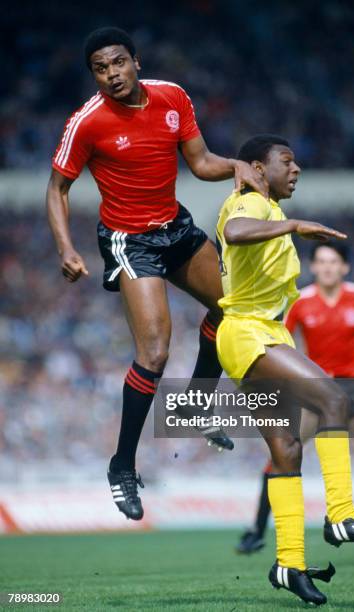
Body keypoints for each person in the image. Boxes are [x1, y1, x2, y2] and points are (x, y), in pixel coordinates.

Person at [46, 27, 266, 522]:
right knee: (155, 351)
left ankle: (194, 405)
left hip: (177, 228)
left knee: (232, 307)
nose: (111, 75)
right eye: (100, 69)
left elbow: (201, 162)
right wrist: (66, 247)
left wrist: (236, 165)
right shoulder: (87, 122)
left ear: (136, 62)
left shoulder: (173, 97)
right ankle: (122, 466)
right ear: (94, 75)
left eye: (117, 63)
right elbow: (57, 188)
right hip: (130, 241)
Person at [215, 133, 354, 605]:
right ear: (257, 167)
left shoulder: (269, 212)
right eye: (286, 162)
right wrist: (294, 226)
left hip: (261, 335)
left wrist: (288, 225)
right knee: (335, 399)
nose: (295, 170)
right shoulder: (247, 201)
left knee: (287, 451)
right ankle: (339, 514)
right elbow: (234, 233)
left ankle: (288, 564)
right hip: (249, 334)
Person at [237, 242, 354, 556]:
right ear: (312, 267)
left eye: (334, 261)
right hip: (317, 393)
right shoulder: (301, 301)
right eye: (322, 262)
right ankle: (256, 531)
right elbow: (282, 341)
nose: (327, 267)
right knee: (280, 452)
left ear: (344, 267)